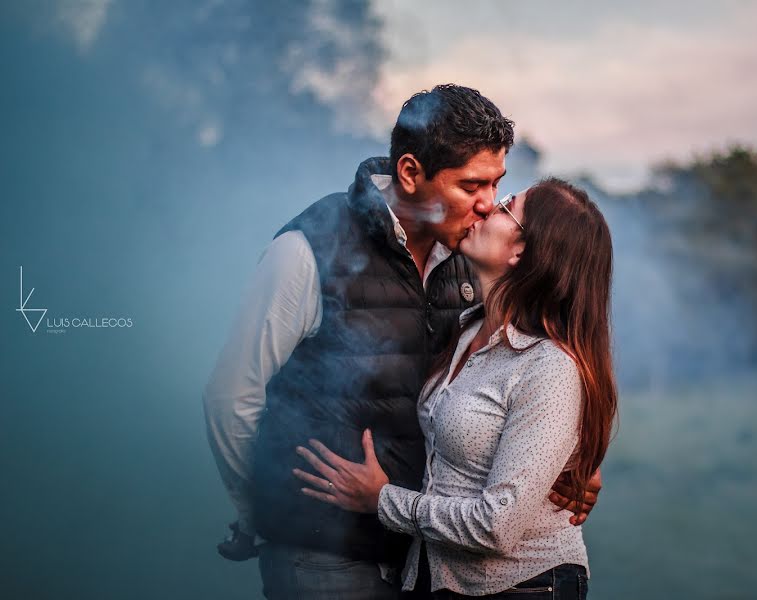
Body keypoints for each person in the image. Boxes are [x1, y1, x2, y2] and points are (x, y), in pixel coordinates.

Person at [203, 85, 601, 600]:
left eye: (497, 184)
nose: (486, 205)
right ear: (411, 173)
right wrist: (267, 510)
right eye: (471, 185)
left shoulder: (470, 256)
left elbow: (525, 373)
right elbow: (231, 396)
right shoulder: (307, 251)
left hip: (425, 558)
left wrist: (561, 460)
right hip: (325, 555)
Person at [294, 178, 617, 599]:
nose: (486, 209)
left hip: (521, 587)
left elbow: (495, 526)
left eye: (505, 205)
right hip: (437, 579)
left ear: (521, 251)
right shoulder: (466, 328)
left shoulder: (549, 367)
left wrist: (382, 500)